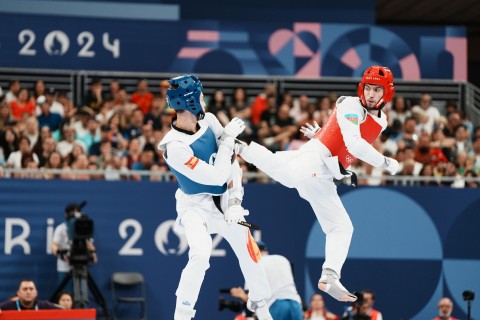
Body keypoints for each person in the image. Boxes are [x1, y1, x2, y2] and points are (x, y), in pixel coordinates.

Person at [236, 66, 400, 302]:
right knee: (291, 177)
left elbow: (344, 143)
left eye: (377, 89)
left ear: (387, 94)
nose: (371, 94)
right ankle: (241, 147)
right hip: (316, 159)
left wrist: (322, 136)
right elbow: (353, 144)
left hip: (325, 171)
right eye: (368, 88)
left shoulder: (382, 120)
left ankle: (331, 274)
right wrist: (386, 162)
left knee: (341, 227)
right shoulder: (348, 103)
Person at [157, 75, 272, 320]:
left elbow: (231, 164)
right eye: (200, 95)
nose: (203, 99)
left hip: (225, 201)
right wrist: (228, 140)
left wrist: (235, 202)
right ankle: (183, 314)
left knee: (251, 252)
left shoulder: (208, 120)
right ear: (190, 102)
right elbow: (217, 175)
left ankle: (260, 307)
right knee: (200, 254)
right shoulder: (174, 147)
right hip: (195, 206)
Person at [230, 241, 303, 320]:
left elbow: (254, 299)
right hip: (296, 304)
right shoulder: (282, 259)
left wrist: (241, 295)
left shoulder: (254, 265)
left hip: (275, 305)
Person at [51, 203, 98, 290]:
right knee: (65, 295)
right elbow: (54, 246)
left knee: (82, 293)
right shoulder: (61, 228)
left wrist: (93, 255)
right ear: (66, 214)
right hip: (64, 268)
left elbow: (90, 245)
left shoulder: (83, 228)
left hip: (81, 267)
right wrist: (60, 253)